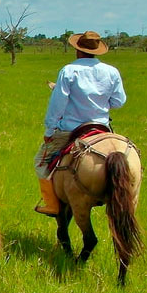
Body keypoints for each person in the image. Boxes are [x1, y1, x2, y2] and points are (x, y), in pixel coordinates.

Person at [34, 30, 126, 215]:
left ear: (78, 50)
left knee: (40, 162)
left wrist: (50, 129)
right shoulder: (112, 72)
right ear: (96, 51)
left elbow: (58, 103)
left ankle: (52, 204)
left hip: (72, 129)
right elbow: (119, 101)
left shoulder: (69, 71)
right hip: (102, 129)